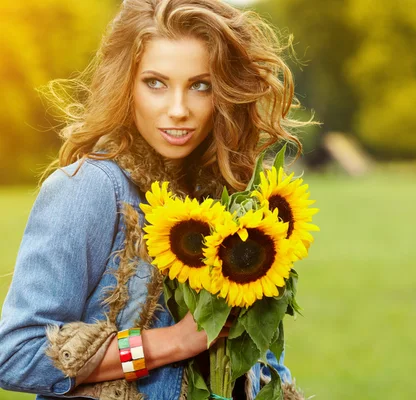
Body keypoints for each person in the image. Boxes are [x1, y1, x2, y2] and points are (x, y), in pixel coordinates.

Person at [0, 0, 316, 399]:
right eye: (156, 83)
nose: (179, 110)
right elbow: (16, 355)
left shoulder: (234, 198)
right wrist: (176, 342)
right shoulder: (91, 189)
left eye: (200, 85)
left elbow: (261, 355)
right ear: (126, 85)